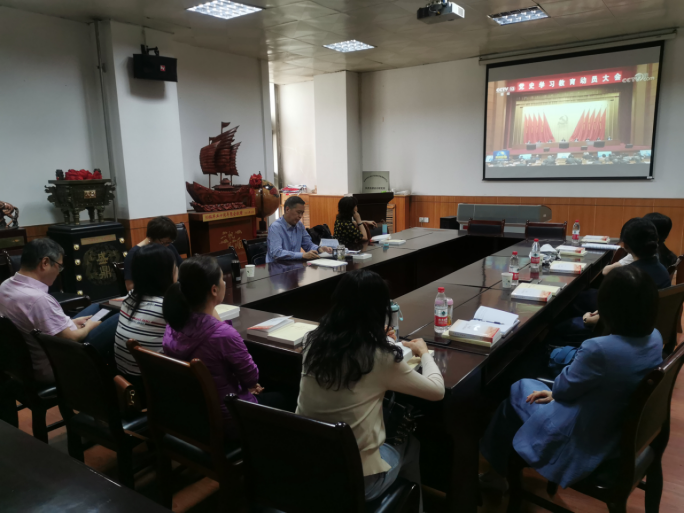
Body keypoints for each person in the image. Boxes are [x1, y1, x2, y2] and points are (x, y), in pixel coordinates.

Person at [480, 266, 663, 491]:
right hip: (613, 427)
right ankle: (502, 468)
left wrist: (557, 394)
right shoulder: (655, 337)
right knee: (525, 395)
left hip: (583, 437)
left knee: (519, 388)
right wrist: (558, 394)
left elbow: (563, 389)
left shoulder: (599, 349)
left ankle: (497, 472)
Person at [296, 269, 444, 506]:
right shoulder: (379, 357)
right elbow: (437, 391)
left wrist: (377, 337)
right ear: (379, 310)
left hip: (308, 464)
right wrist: (424, 353)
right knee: (411, 444)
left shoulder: (311, 340)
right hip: (356, 479)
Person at [162, 255, 287, 438]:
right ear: (214, 290)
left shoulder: (173, 326)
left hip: (191, 414)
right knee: (286, 395)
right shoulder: (223, 335)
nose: (224, 283)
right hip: (228, 419)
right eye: (222, 279)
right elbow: (252, 378)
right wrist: (248, 386)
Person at [0, 238, 119, 383]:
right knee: (119, 316)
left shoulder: (5, 286)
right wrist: (88, 327)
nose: (58, 272)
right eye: (59, 266)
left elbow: (34, 323)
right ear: (45, 263)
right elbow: (71, 338)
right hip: (55, 364)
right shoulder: (38, 299)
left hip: (30, 358)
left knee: (98, 307)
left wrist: (72, 323)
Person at [550, 218, 670, 348]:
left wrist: (588, 319)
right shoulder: (662, 270)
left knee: (560, 326)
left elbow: (614, 318)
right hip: (645, 328)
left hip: (622, 333)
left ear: (626, 246)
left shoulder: (628, 277)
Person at [114, 244, 177, 401]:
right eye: (174, 267)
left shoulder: (130, 298)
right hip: (151, 387)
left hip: (125, 382)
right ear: (164, 274)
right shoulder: (165, 307)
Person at [124, 216, 182, 291]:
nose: (167, 245)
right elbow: (130, 287)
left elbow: (181, 268)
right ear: (151, 238)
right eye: (164, 242)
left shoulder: (169, 247)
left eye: (169, 242)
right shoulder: (134, 254)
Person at [266, 196, 332, 262]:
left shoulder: (299, 225)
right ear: (287, 209)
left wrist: (319, 249)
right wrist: (302, 255)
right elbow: (276, 253)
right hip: (277, 267)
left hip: (294, 265)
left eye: (302, 213)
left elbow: (308, 244)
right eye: (298, 212)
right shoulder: (275, 227)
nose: (300, 216)